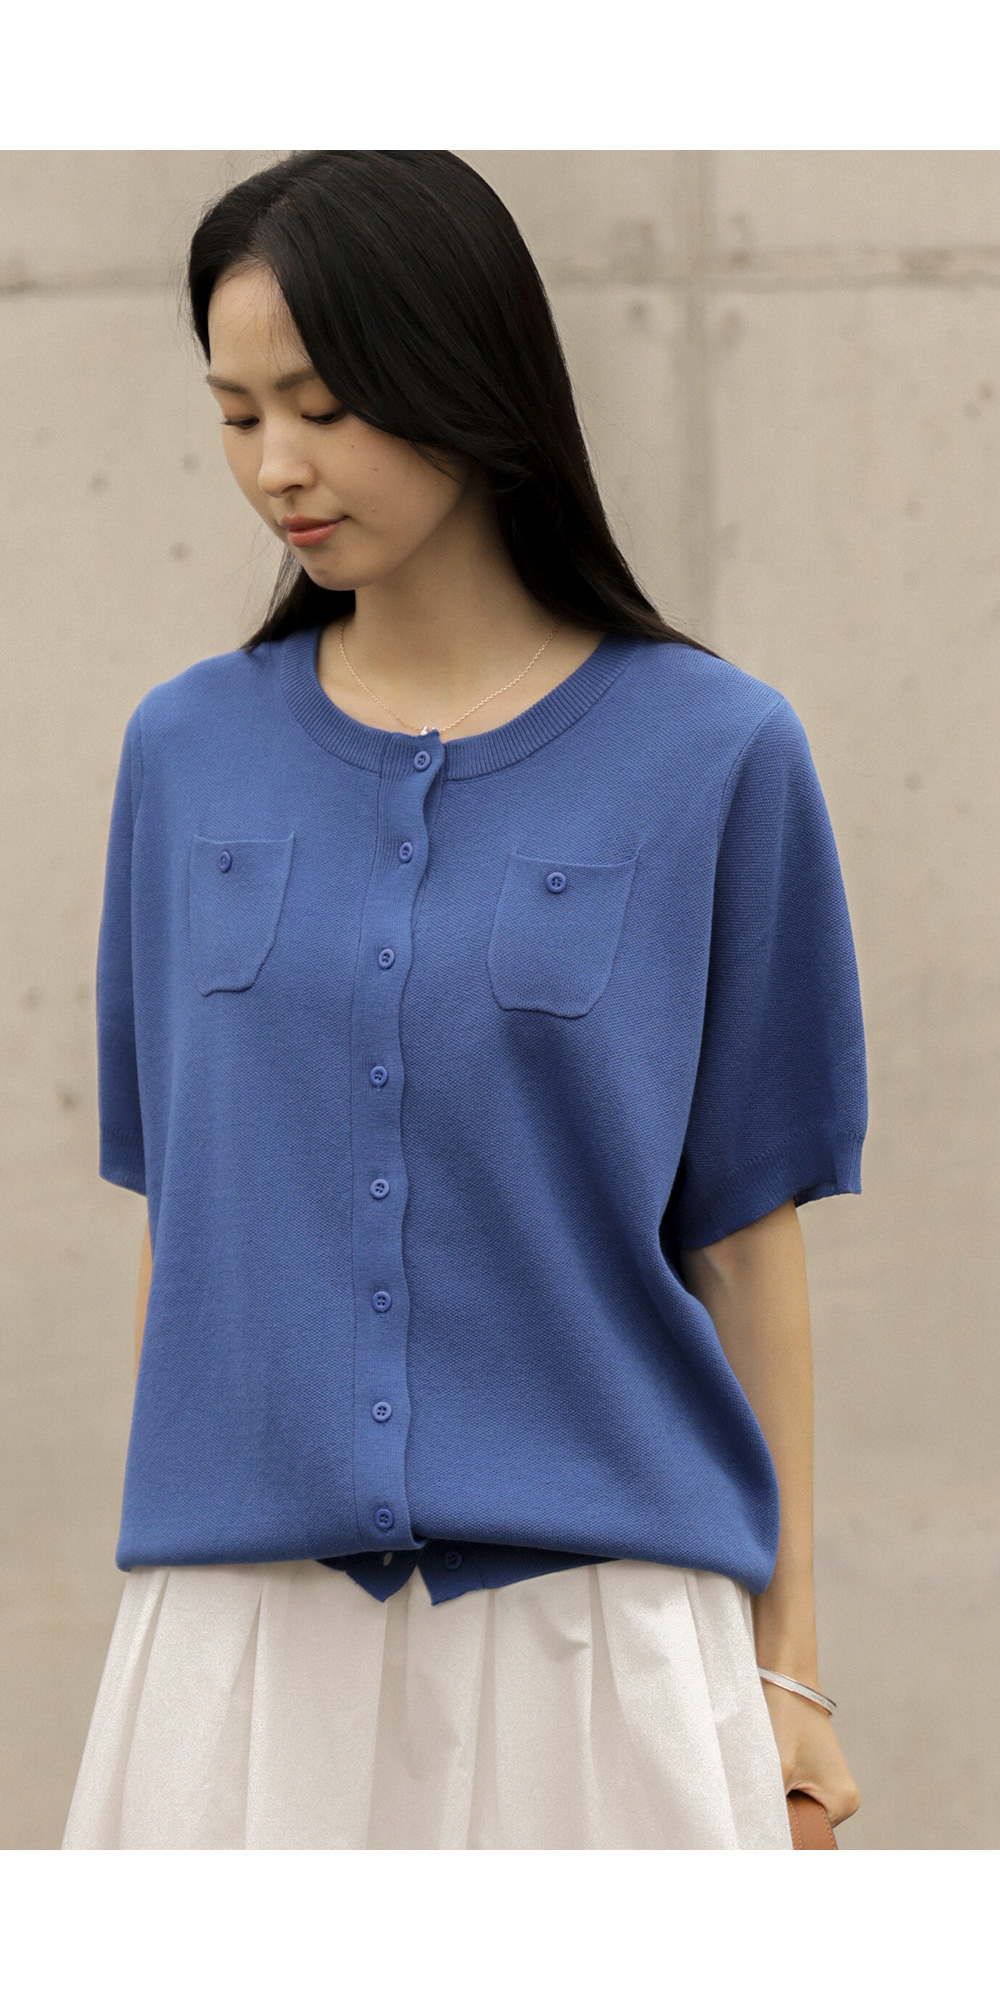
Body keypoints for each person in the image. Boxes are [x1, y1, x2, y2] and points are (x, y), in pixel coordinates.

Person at [63, 150, 865, 1850]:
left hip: (600, 1635)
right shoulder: (185, 754)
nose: (275, 467)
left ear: (467, 380)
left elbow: (747, 1239)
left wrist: (789, 1666)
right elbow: (180, 1218)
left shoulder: (718, 754)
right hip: (243, 1635)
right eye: (235, 415)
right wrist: (174, 1578)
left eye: (325, 406)